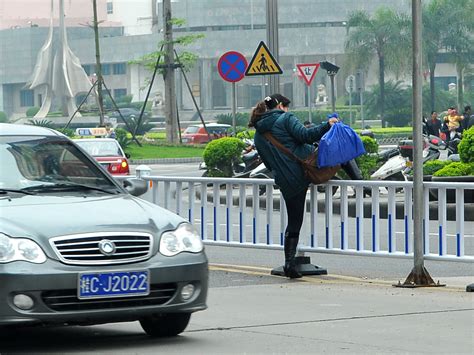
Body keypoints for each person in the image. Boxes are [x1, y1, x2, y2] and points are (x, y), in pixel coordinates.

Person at [249, 94, 338, 278]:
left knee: (294, 221)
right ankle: (363, 183)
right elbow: (306, 136)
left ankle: (289, 264)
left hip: (285, 181)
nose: (288, 110)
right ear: (281, 106)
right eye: (286, 106)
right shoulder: (285, 118)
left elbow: (268, 163)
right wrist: (327, 124)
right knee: (339, 153)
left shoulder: (258, 135)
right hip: (302, 172)